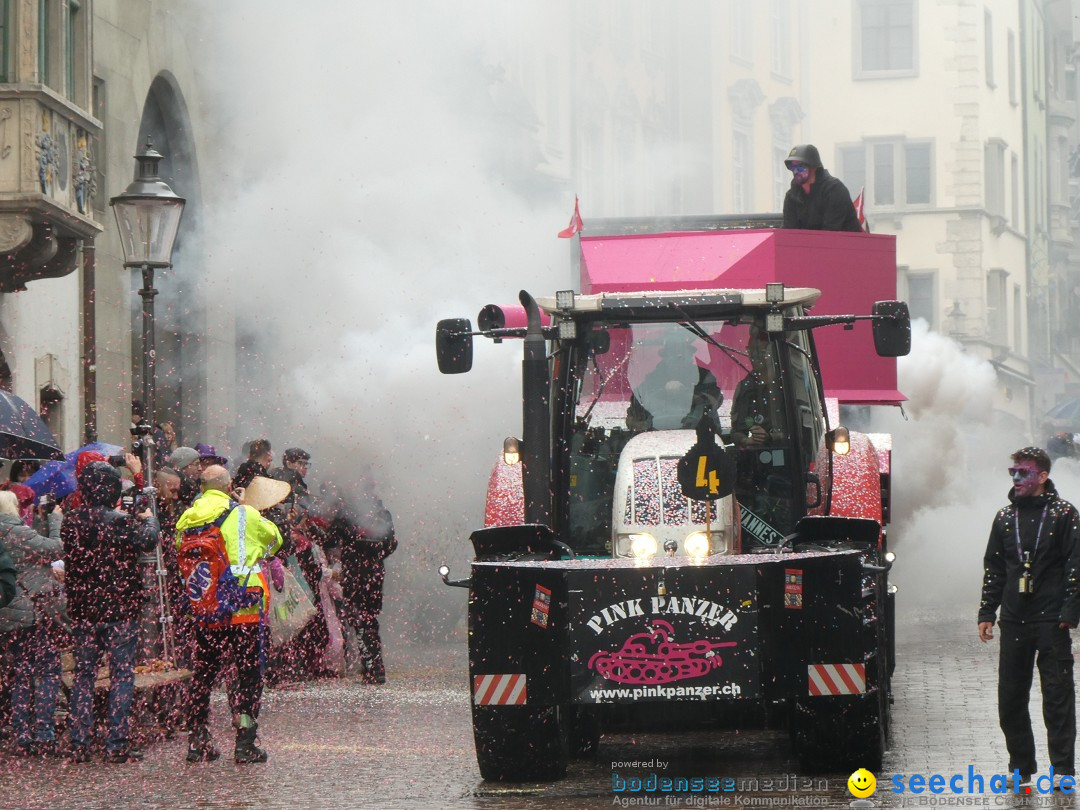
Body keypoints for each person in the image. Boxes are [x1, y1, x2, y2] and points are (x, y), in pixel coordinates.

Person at [978, 447, 1080, 790]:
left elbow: (1076, 566)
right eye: (1013, 472)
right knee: (1010, 698)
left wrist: (1070, 611)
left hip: (1052, 621)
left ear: (1042, 476)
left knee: (1058, 698)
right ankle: (1020, 768)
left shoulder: (1065, 514)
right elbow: (994, 567)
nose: (1017, 478)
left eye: (1023, 472)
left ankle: (1063, 770)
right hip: (1015, 620)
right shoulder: (1005, 518)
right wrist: (986, 612)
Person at [176, 465, 283, 764]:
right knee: (248, 676)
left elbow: (180, 555)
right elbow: (276, 541)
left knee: (204, 675)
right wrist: (249, 509)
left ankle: (198, 741)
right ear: (229, 485)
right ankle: (245, 743)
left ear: (202, 486)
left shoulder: (187, 517)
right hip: (244, 608)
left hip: (206, 610)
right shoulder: (243, 514)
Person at [63, 461, 160, 763]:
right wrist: (149, 520)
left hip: (83, 611)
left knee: (83, 676)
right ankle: (116, 743)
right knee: (121, 677)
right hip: (120, 610)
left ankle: (79, 743)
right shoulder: (119, 522)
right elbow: (147, 540)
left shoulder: (70, 521)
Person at [0, 490, 63, 756]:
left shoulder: (13, 532)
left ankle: (21, 732)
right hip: (30, 612)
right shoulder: (17, 531)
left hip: (7, 613)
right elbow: (56, 548)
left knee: (21, 673)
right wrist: (56, 521)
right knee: (48, 671)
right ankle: (44, 732)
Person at [321, 480, 397, 684]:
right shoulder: (382, 513)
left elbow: (329, 540)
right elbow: (391, 544)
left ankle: (372, 666)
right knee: (370, 618)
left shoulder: (347, 514)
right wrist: (376, 556)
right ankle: (375, 665)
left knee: (360, 619)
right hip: (375, 573)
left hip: (355, 574)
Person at [626, 335, 722, 432]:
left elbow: (714, 400)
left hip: (702, 435)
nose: (678, 358)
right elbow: (637, 407)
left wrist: (686, 393)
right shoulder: (652, 379)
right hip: (656, 436)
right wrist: (662, 393)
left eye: (682, 354)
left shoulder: (704, 376)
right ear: (665, 356)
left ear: (690, 355)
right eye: (672, 354)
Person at [781, 144, 863, 232]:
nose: (795, 171)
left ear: (813, 167)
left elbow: (830, 232)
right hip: (811, 243)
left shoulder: (834, 190)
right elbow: (789, 233)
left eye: (800, 167)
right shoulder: (791, 196)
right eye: (793, 167)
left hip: (846, 243)